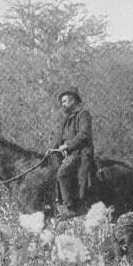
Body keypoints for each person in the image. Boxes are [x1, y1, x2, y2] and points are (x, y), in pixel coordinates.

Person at [51, 86, 94, 220]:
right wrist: (52, 148)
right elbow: (60, 138)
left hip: (80, 151)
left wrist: (67, 146)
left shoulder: (83, 114)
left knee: (62, 173)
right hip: (69, 152)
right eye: (62, 102)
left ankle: (70, 208)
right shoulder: (67, 118)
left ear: (73, 100)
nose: (62, 104)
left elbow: (84, 134)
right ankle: (57, 203)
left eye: (65, 101)